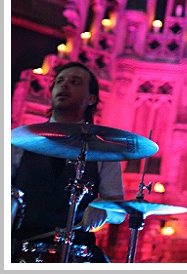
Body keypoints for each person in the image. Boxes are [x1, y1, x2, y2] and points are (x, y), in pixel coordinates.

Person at [11, 61, 127, 263]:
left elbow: (119, 213)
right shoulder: (21, 141)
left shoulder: (103, 149)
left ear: (91, 98)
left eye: (75, 82)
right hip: (21, 248)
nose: (64, 85)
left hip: (78, 251)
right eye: (59, 81)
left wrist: (104, 207)